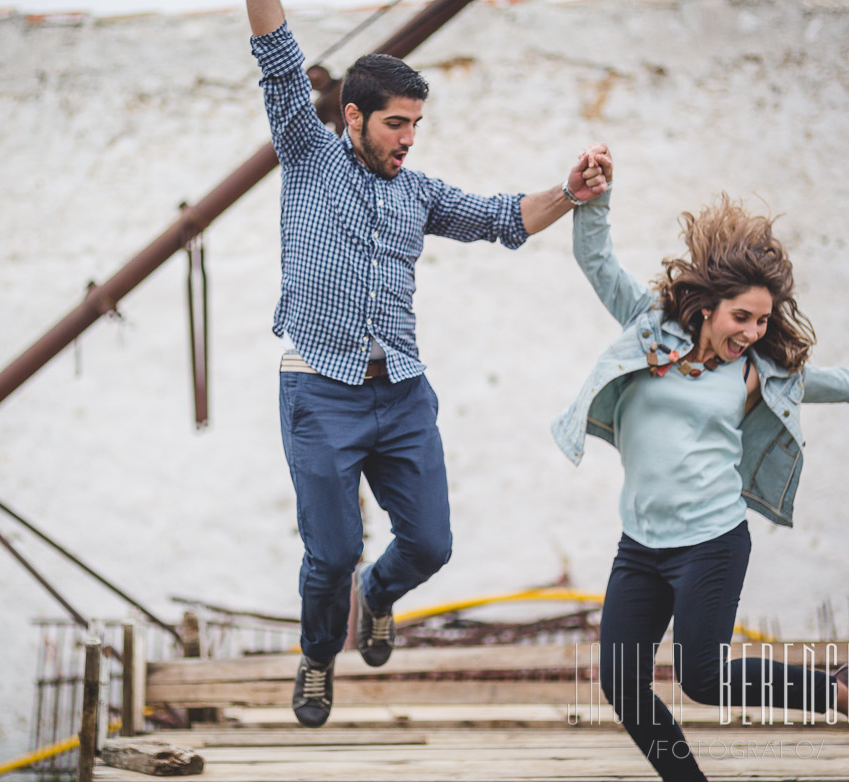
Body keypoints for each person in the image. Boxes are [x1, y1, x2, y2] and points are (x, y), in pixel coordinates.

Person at [244, 0, 609, 728]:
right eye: (394, 123)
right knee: (333, 551)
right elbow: (278, 58)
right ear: (352, 117)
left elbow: (502, 219)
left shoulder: (419, 194)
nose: (408, 138)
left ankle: (379, 597)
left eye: (416, 124)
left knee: (430, 545)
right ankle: (319, 656)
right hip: (319, 389)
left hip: (403, 393)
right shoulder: (307, 153)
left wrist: (570, 193)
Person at [551, 144, 849, 780]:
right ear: (707, 305)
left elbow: (835, 382)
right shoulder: (649, 325)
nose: (752, 331)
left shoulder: (758, 373)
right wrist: (593, 197)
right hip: (641, 544)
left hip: (711, 542)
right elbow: (596, 261)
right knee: (623, 687)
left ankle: (835, 689)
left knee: (704, 679)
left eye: (763, 321)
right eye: (742, 317)